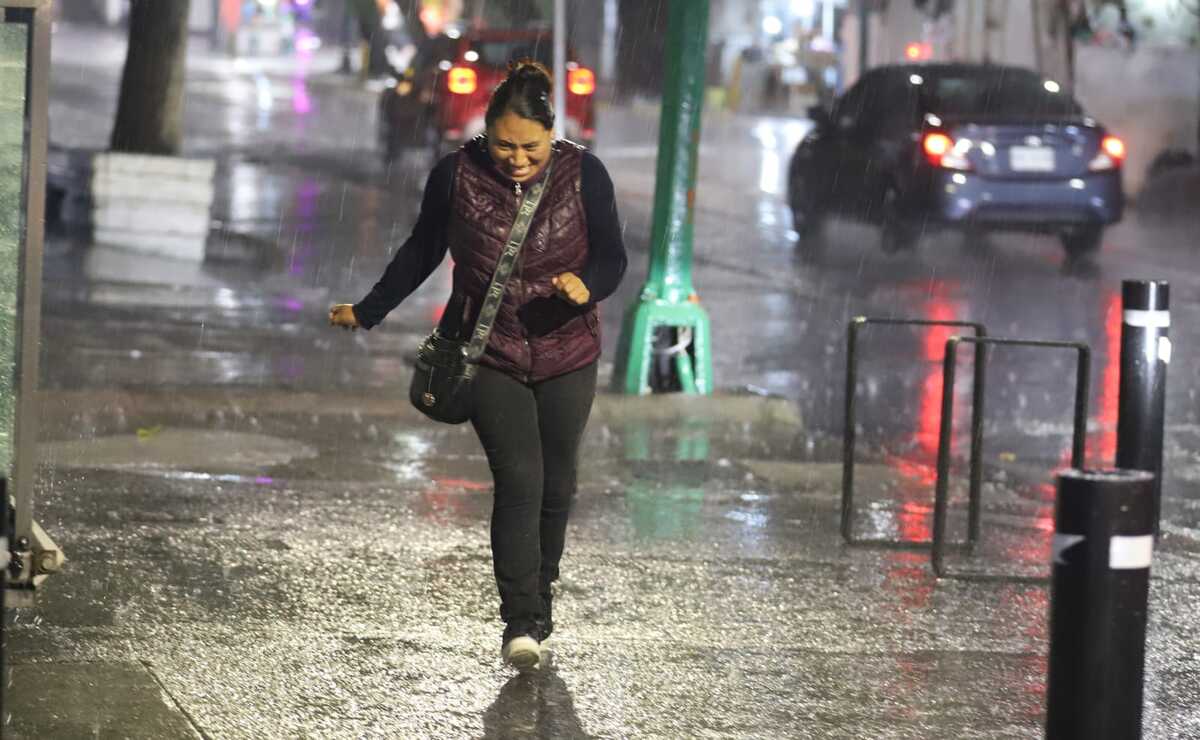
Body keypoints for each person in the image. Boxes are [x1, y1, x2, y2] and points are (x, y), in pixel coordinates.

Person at [328, 60, 627, 672]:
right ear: (485, 131)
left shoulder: (585, 174)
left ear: (554, 135)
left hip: (569, 353)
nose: (517, 159)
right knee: (520, 480)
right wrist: (369, 310)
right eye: (504, 145)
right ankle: (520, 622)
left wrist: (586, 286)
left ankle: (538, 601)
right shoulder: (456, 175)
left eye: (532, 147)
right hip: (486, 350)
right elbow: (421, 250)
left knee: (558, 485)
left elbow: (614, 257)